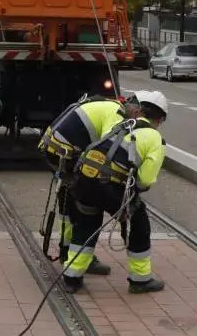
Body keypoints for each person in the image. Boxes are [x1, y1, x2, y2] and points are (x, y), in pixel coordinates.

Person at [61, 90, 168, 294]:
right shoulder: (155, 138)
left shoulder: (122, 125)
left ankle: (71, 278)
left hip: (84, 181)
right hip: (109, 186)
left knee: (86, 225)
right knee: (139, 223)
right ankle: (140, 280)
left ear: (139, 110)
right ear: (160, 119)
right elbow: (145, 180)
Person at [38, 93, 144, 276]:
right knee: (87, 205)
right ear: (135, 112)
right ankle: (77, 255)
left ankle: (67, 251)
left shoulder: (109, 105)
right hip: (67, 153)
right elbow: (106, 151)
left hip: (55, 149)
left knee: (69, 202)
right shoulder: (117, 115)